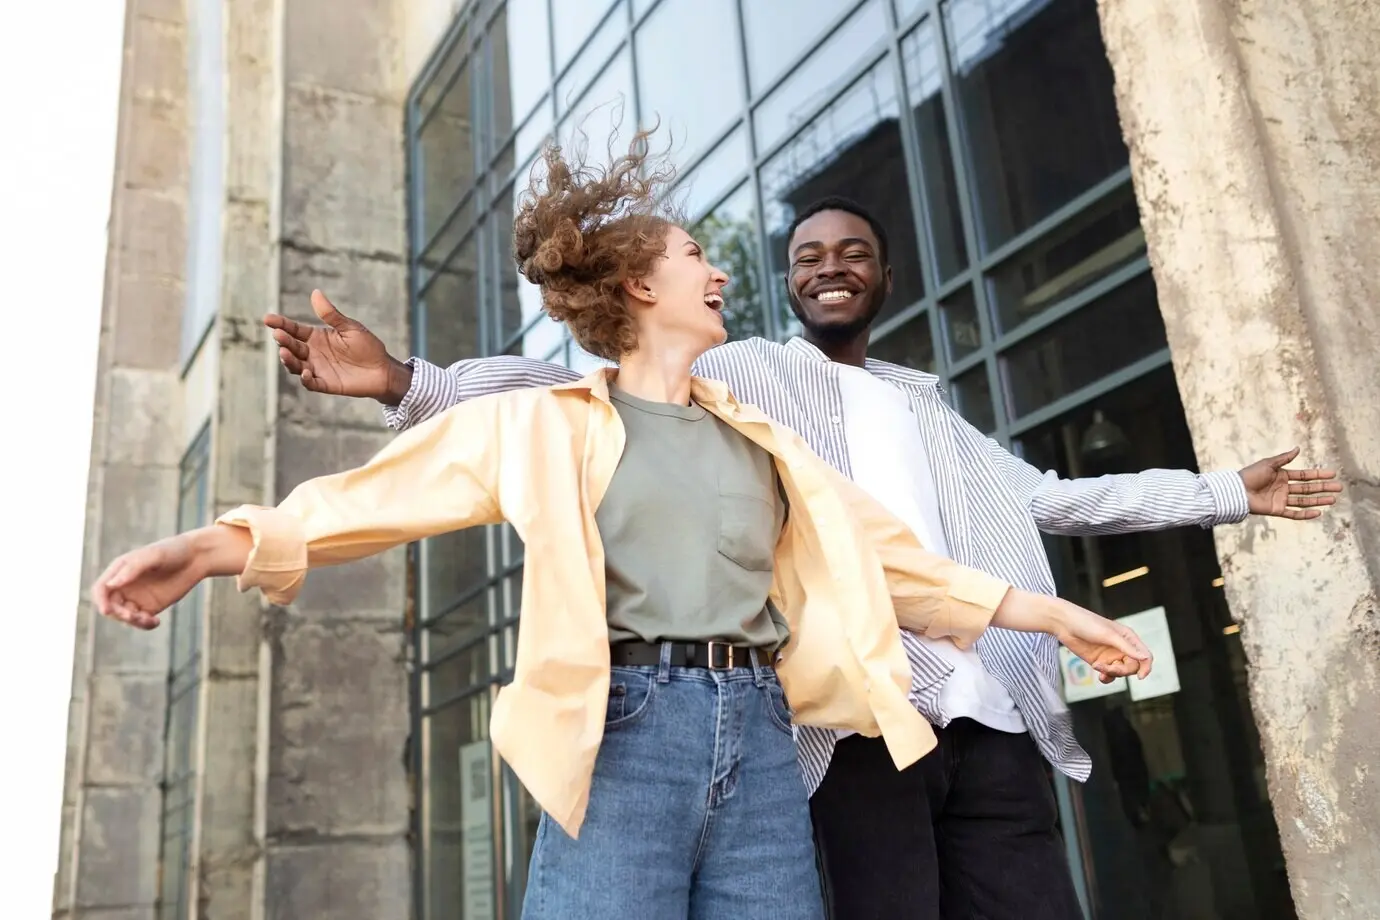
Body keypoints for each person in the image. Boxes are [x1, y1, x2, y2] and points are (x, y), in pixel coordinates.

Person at [94, 135, 1153, 920]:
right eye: (700, 253)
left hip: (765, 740)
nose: (722, 269)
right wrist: (208, 547)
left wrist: (1056, 615)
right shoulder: (550, 423)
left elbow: (894, 562)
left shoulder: (764, 437)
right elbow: (372, 501)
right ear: (644, 284)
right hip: (626, 733)